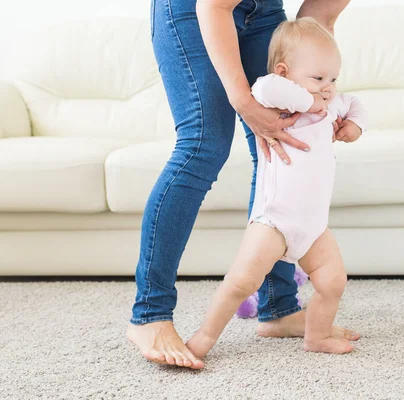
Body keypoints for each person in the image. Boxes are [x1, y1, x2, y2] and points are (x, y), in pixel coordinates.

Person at [127, 0, 359, 369]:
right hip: (197, 7)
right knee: (203, 144)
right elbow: (214, 7)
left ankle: (279, 308)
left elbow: (320, 19)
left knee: (280, 139)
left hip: (264, 9)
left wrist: (320, 97)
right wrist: (246, 104)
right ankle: (150, 314)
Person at [185, 17, 367, 363]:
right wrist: (307, 100)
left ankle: (317, 336)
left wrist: (354, 127)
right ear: (286, 73)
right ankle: (203, 338)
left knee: (333, 281)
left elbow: (356, 104)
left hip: (313, 227)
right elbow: (265, 87)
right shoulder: (278, 102)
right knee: (241, 282)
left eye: (332, 79)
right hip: (274, 222)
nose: (327, 88)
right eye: (317, 78)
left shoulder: (331, 106)